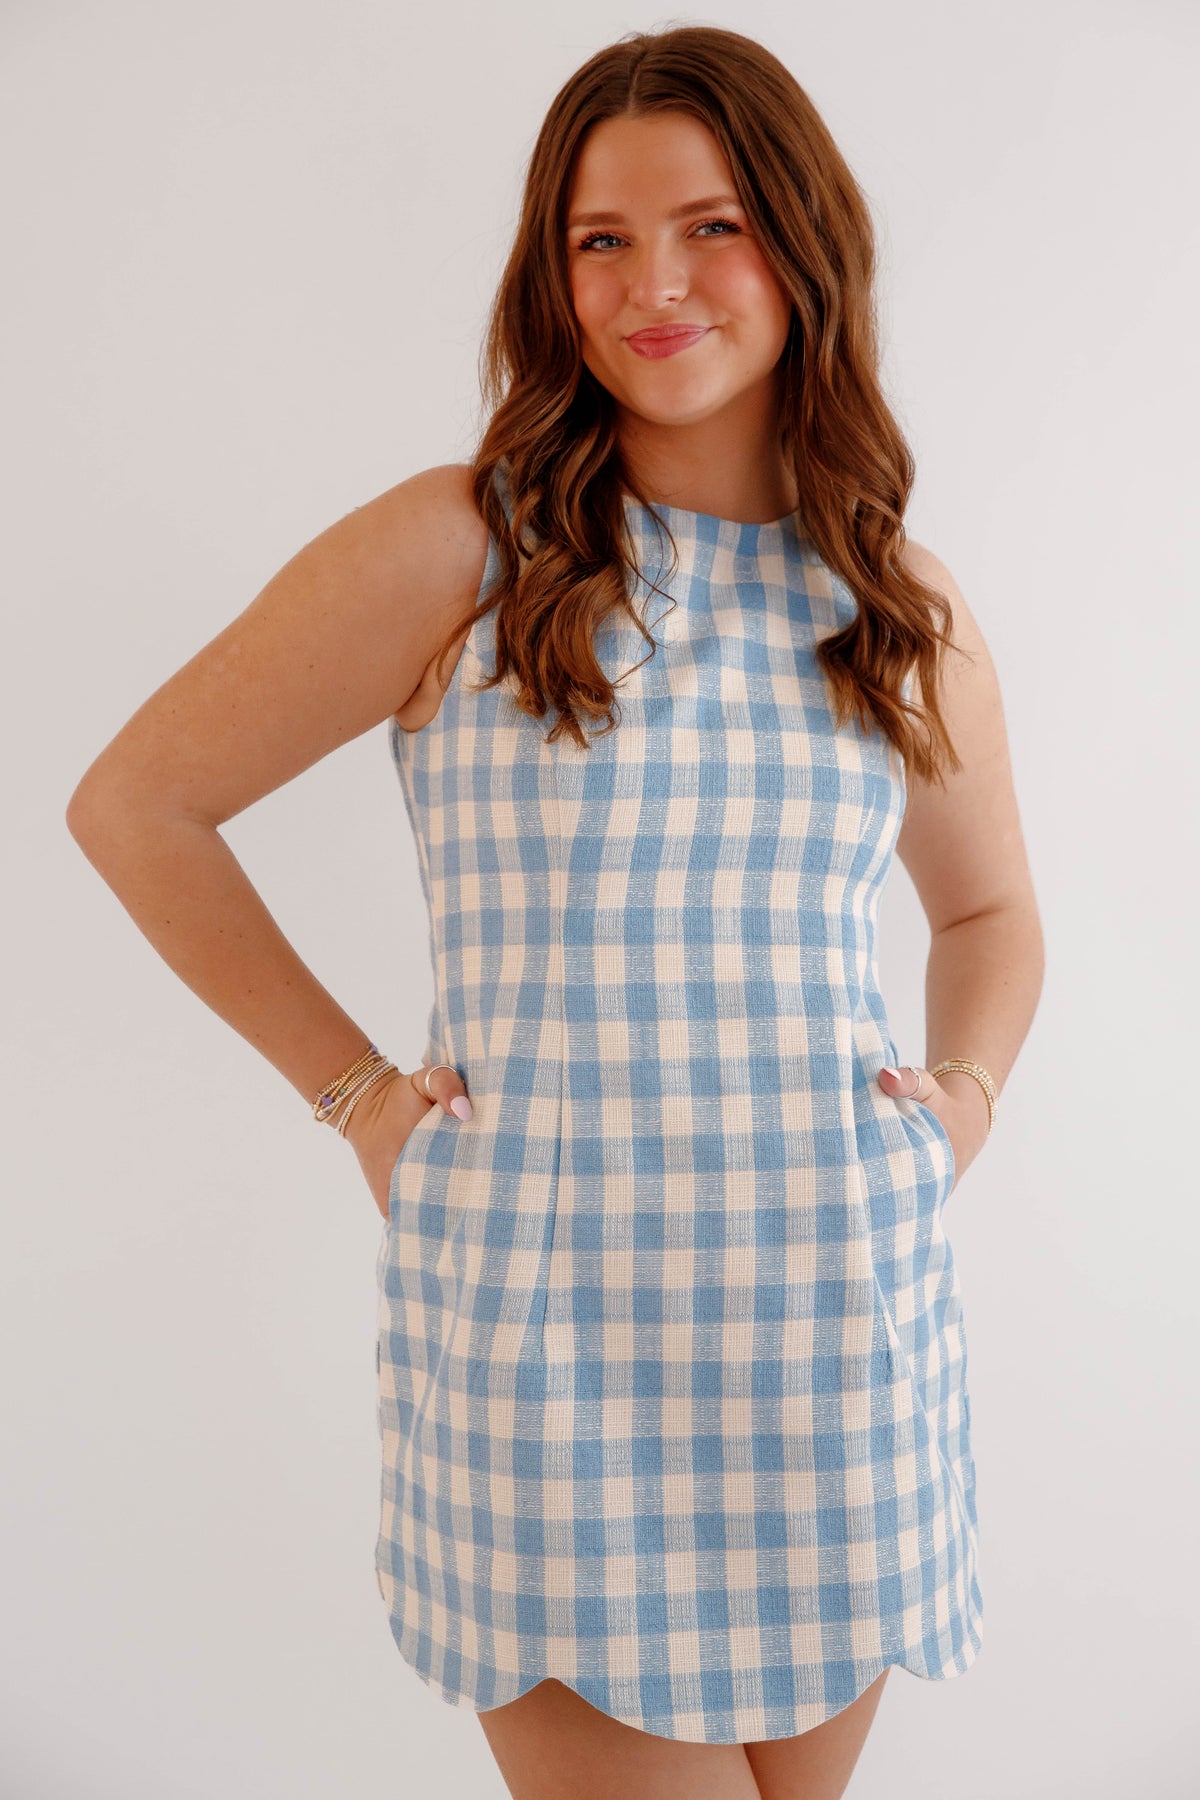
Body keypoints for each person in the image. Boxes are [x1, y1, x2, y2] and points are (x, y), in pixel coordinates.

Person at [66, 23, 1044, 1800]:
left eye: (711, 226)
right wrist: (360, 1100)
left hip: (837, 1348)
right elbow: (137, 807)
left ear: (806, 246)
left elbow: (990, 916)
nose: (653, 284)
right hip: (553, 1367)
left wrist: (954, 1118)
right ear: (552, 270)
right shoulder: (466, 550)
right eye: (602, 239)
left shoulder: (896, 602)